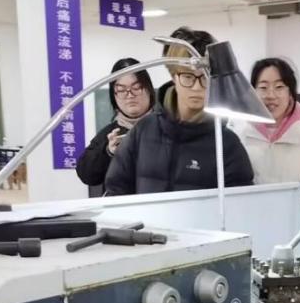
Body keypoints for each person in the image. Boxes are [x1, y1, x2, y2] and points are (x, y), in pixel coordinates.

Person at [104, 27, 253, 196]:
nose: (197, 87)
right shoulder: (143, 131)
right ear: (174, 76)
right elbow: (116, 190)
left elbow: (241, 203)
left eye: (205, 77)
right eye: (188, 77)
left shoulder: (226, 144)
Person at [232, 58, 300, 268]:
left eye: (279, 87)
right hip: (250, 248)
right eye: (263, 87)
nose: (271, 95)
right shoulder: (238, 137)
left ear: (290, 93)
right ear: (253, 92)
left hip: (296, 251)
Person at [76, 58, 154, 195]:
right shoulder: (110, 135)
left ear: (148, 89)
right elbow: (86, 174)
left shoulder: (168, 126)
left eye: (136, 87)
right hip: (122, 207)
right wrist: (108, 152)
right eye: (121, 90)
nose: (130, 95)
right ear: (114, 96)